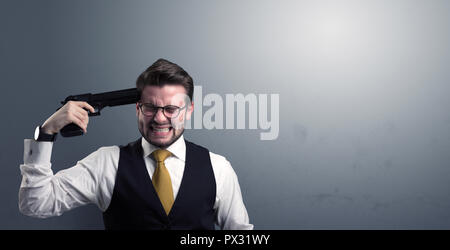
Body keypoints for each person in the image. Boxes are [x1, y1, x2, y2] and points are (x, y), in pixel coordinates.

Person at [19, 58, 253, 230]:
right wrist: (46, 132)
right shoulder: (106, 163)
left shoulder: (218, 168)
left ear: (189, 110)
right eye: (150, 107)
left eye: (171, 108)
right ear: (138, 108)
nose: (160, 118)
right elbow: (35, 204)